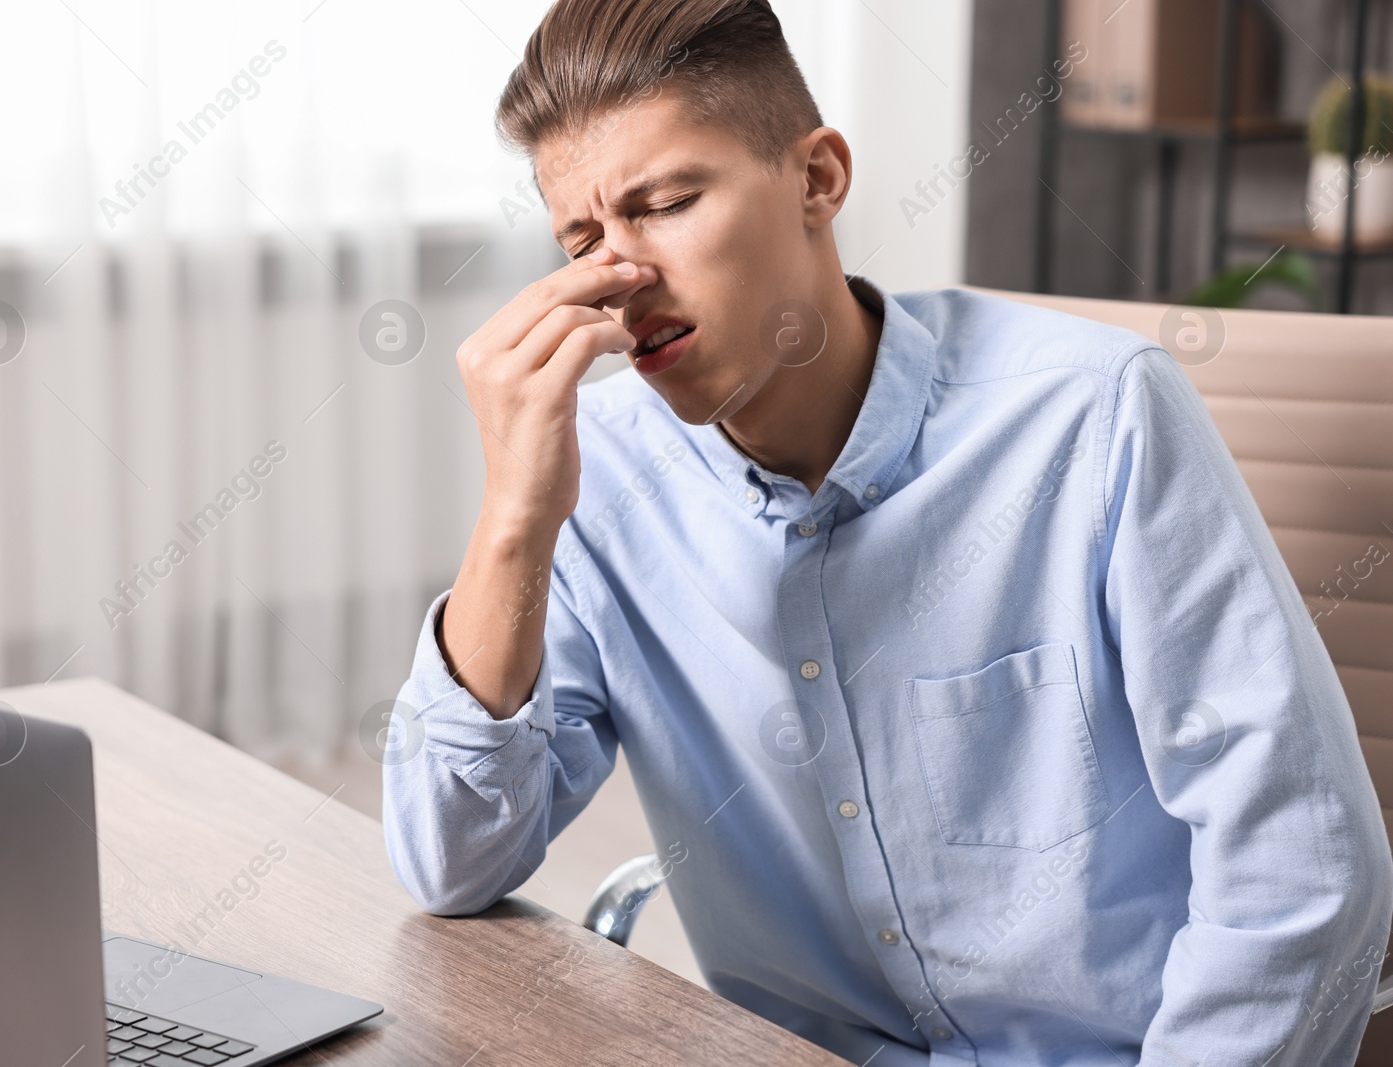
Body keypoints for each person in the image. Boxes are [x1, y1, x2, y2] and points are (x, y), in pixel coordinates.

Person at [382, 1, 1393, 1063]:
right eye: (580, 239)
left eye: (666, 203)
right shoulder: (596, 477)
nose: (619, 278)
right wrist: (511, 521)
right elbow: (453, 860)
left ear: (817, 178)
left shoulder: (1094, 416)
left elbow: (1300, 871)